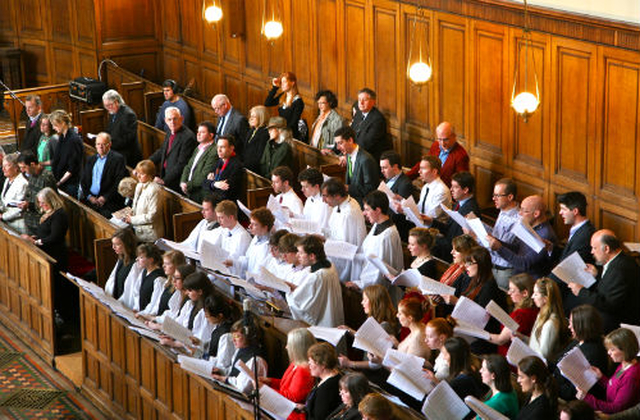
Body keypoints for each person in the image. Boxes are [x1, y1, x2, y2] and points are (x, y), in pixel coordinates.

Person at [566, 229, 640, 333]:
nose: (592, 252)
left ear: (606, 249)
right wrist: (597, 276)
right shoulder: (619, 260)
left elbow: (608, 304)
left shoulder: (620, 269)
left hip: (615, 327)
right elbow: (609, 287)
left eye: (594, 248)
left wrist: (581, 291)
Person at [350, 191, 403, 299]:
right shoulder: (376, 226)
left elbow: (381, 272)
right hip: (368, 284)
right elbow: (369, 255)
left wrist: (360, 284)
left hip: (378, 294)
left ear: (378, 210)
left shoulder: (388, 235)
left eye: (367, 209)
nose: (364, 213)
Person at [490, 195, 557, 279]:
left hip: (529, 284)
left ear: (536, 214)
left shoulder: (545, 235)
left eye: (524, 211)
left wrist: (499, 248)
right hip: (517, 278)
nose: (519, 213)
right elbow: (517, 248)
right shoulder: (530, 227)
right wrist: (497, 241)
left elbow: (525, 264)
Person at [286, 235, 345, 327]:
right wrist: (297, 288)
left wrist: (288, 291)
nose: (297, 255)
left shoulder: (316, 276)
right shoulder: (330, 266)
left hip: (323, 324)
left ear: (312, 256)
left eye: (301, 253)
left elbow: (301, 305)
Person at [578, 328, 640, 414]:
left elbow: (616, 408)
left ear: (625, 350)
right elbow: (614, 387)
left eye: (612, 349)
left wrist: (587, 398)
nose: (608, 353)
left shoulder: (631, 377)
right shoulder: (624, 364)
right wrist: (601, 378)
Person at [555, 305, 609, 401]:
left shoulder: (594, 353)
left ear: (582, 325)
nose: (569, 326)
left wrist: (552, 387)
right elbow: (559, 359)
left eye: (572, 323)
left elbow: (574, 391)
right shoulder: (579, 340)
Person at [554, 191, 596, 313]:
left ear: (575, 211)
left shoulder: (585, 235)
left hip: (574, 296)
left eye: (563, 209)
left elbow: (568, 264)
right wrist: (552, 248)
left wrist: (544, 286)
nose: (560, 213)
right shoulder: (579, 230)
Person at [260, 328, 316, 420]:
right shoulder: (295, 363)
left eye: (289, 344)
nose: (286, 347)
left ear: (297, 348)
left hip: (290, 415)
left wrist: (264, 388)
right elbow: (285, 386)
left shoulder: (303, 371)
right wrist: (270, 381)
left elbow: (291, 398)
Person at [321, 178, 367, 281]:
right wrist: (323, 235)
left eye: (325, 196)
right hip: (335, 251)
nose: (323, 201)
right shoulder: (341, 204)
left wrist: (326, 242)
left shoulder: (349, 213)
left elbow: (346, 245)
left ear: (337, 196)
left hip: (346, 261)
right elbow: (334, 230)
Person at [431, 171, 481, 262]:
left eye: (455, 187)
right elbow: (449, 228)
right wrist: (431, 222)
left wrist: (434, 240)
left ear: (465, 190)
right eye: (451, 186)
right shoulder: (459, 203)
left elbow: (458, 241)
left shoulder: (470, 210)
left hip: (455, 254)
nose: (451, 189)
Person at [212, 315, 267, 394]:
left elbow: (244, 386)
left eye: (237, 336)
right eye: (233, 336)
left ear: (248, 337)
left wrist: (225, 379)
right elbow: (234, 371)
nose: (233, 340)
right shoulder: (240, 350)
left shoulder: (256, 359)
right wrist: (220, 371)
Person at [487, 273, 539, 356]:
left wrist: (479, 333)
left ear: (525, 293)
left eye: (512, 290)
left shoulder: (520, 315)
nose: (508, 293)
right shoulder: (535, 308)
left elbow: (500, 340)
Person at [406, 121, 470, 187]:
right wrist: (405, 178)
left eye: (446, 139)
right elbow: (424, 164)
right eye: (439, 139)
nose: (442, 143)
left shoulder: (461, 156)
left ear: (454, 136)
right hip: (429, 186)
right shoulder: (436, 145)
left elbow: (461, 183)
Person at [149, 107, 197, 192]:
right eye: (169, 119)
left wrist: (164, 180)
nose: (172, 122)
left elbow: (182, 164)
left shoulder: (188, 137)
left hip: (176, 181)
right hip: (166, 175)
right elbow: (162, 151)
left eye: (175, 119)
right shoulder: (169, 132)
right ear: (165, 120)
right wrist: (146, 163)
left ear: (181, 119)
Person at [80, 132, 128, 217]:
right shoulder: (91, 160)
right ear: (95, 145)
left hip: (109, 202)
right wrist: (89, 197)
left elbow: (118, 183)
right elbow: (83, 180)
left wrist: (105, 198)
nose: (100, 147)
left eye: (103, 144)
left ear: (109, 144)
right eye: (98, 144)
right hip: (90, 200)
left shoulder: (118, 159)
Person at [21, 187, 68, 271]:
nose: (40, 205)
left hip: (54, 254)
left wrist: (36, 242)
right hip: (45, 249)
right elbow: (45, 232)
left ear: (51, 201)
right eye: (39, 202)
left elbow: (55, 236)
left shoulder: (59, 215)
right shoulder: (49, 211)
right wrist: (35, 237)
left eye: (43, 203)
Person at [485, 178, 520, 290]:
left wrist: (477, 237)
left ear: (510, 197)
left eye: (498, 196)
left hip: (504, 272)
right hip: (493, 266)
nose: (493, 198)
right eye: (493, 194)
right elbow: (497, 236)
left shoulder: (517, 219)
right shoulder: (503, 210)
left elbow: (498, 248)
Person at [396, 155, 451, 224]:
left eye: (423, 168)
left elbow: (428, 218)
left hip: (434, 231)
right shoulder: (426, 187)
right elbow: (419, 209)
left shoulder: (441, 191)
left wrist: (404, 211)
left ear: (434, 171)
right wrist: (403, 202)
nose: (419, 171)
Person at [523, 277, 567, 361]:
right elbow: (536, 343)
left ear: (545, 299)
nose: (532, 297)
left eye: (536, 294)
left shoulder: (550, 324)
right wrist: (521, 338)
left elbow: (543, 355)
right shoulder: (541, 314)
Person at [335, 126, 379, 206]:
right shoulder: (348, 154)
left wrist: (348, 188)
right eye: (336, 144)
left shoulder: (366, 160)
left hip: (363, 205)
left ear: (350, 140)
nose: (337, 148)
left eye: (340, 143)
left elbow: (370, 190)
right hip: (350, 201)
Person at [226, 207, 274, 278]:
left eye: (254, 224)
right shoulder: (255, 238)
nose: (249, 226)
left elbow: (260, 271)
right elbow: (247, 260)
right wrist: (232, 262)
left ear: (265, 227)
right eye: (250, 223)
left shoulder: (268, 246)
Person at [17, 151, 57, 235]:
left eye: (24, 167)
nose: (22, 171)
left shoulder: (46, 177)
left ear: (32, 164)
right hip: (29, 220)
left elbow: (50, 203)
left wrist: (29, 205)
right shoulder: (31, 174)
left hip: (40, 222)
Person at [137, 250, 186, 317]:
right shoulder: (167, 283)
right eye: (164, 263)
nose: (163, 266)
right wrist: (144, 314)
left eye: (167, 264)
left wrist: (154, 319)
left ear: (177, 266)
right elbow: (156, 305)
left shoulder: (179, 288)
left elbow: (172, 314)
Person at [124, 160, 164, 242]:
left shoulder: (154, 190)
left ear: (150, 175)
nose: (138, 176)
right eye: (138, 173)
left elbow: (152, 216)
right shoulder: (139, 185)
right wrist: (130, 214)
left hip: (150, 234)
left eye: (142, 174)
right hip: (139, 230)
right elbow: (135, 205)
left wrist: (132, 220)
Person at [379, 150, 415, 240]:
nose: (382, 171)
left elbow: (400, 214)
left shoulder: (405, 184)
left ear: (395, 167)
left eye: (385, 168)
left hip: (397, 228)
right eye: (381, 168)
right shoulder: (389, 178)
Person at [180, 121, 218, 203]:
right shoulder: (198, 148)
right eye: (198, 132)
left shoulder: (214, 151)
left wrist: (188, 185)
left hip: (200, 194)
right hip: (190, 190)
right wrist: (183, 181)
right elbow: (188, 166)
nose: (198, 134)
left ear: (211, 135)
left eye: (202, 132)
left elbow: (205, 174)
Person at [350, 88, 391, 162]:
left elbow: (365, 144)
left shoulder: (378, 120)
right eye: (359, 100)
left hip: (370, 159)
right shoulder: (358, 113)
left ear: (373, 102)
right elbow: (350, 133)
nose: (361, 103)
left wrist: (349, 152)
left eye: (365, 100)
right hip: (355, 152)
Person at [304, 342, 342, 420]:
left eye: (312, 362)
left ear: (323, 365)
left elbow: (319, 417)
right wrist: (304, 407)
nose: (309, 364)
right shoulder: (329, 377)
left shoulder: (327, 390)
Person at [103, 89, 142, 165]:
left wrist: (110, 145)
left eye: (109, 105)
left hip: (127, 156)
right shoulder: (113, 112)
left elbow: (128, 139)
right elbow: (110, 130)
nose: (108, 108)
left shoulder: (128, 115)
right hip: (115, 151)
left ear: (117, 102)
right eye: (106, 105)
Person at [49, 109, 83, 197]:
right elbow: (57, 158)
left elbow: (72, 168)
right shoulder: (63, 137)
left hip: (70, 183)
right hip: (61, 179)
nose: (53, 128)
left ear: (63, 123)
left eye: (55, 125)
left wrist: (59, 182)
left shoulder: (73, 140)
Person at [203, 135, 244, 203]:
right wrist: (215, 184)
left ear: (231, 148)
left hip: (226, 203)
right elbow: (204, 182)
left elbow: (226, 191)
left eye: (222, 147)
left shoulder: (236, 165)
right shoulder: (219, 162)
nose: (219, 150)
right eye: (218, 147)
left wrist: (211, 183)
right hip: (216, 199)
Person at [265, 72, 305, 140]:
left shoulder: (298, 101)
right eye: (281, 82)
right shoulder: (282, 97)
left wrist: (280, 132)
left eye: (284, 82)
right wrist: (275, 87)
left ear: (292, 83)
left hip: (290, 135)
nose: (282, 85)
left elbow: (293, 123)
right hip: (280, 132)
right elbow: (267, 103)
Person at [104, 228, 141, 300]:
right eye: (113, 244)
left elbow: (131, 292)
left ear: (127, 245)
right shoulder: (122, 258)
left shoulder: (135, 264)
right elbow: (113, 280)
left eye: (117, 244)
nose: (113, 247)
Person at [478, 354, 519, 419]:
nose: (480, 371)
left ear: (493, 376)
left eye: (483, 369)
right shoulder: (508, 388)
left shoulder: (496, 403)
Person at [0, 153, 29, 233]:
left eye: (7, 166)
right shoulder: (7, 180)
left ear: (16, 168)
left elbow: (19, 208)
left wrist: (3, 216)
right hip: (7, 223)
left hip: (18, 225)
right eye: (3, 166)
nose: (3, 169)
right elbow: (4, 201)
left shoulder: (22, 183)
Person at [298, 167, 331, 232]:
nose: (302, 190)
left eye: (306, 187)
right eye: (302, 186)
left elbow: (321, 229)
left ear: (316, 186)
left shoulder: (325, 204)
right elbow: (307, 218)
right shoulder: (309, 199)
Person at [242, 105, 270, 174]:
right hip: (246, 164)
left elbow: (259, 156)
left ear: (261, 118)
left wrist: (244, 166)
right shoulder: (251, 130)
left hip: (255, 169)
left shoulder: (265, 134)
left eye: (254, 117)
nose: (250, 119)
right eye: (250, 116)